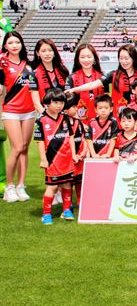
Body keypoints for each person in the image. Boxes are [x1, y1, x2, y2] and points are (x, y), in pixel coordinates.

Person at [0, 31, 36, 203]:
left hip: (29, 111)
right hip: (11, 110)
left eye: (17, 42)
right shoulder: (3, 64)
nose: (14, 45)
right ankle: (9, 186)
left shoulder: (28, 65)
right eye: (11, 42)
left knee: (25, 148)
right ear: (5, 45)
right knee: (17, 147)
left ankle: (21, 185)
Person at [35, 88, 79, 224]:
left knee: (67, 184)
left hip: (67, 159)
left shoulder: (65, 118)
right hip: (52, 161)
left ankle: (66, 210)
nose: (59, 106)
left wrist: (74, 154)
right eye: (56, 102)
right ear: (48, 102)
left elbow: (71, 136)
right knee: (52, 187)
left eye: (61, 103)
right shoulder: (41, 120)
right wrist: (43, 159)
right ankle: (46, 214)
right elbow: (40, 141)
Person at [67, 44, 137, 118]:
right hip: (118, 120)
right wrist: (73, 89)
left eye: (126, 58)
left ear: (133, 58)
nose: (124, 61)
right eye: (121, 58)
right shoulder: (112, 75)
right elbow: (93, 84)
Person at [66, 44, 104, 124]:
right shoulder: (71, 78)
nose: (86, 60)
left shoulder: (102, 77)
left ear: (94, 58)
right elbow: (67, 104)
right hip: (78, 121)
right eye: (82, 57)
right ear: (78, 59)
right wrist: (79, 123)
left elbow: (106, 101)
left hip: (100, 121)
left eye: (89, 56)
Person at [30, 38, 69, 114]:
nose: (47, 54)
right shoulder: (33, 74)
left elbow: (68, 93)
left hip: (63, 114)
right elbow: (36, 103)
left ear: (54, 53)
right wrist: (46, 117)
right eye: (43, 51)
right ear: (38, 53)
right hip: (44, 114)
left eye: (50, 50)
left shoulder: (63, 71)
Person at [64, 93, 86, 207]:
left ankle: (79, 200)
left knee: (79, 180)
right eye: (73, 107)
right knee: (68, 182)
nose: (76, 108)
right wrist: (72, 155)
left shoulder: (78, 122)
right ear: (66, 109)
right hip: (69, 158)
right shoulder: (62, 124)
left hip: (80, 157)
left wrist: (83, 152)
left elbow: (84, 138)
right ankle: (67, 203)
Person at [84, 94, 118, 159]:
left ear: (111, 109)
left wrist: (108, 154)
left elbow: (113, 139)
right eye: (100, 108)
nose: (103, 110)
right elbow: (88, 139)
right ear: (96, 110)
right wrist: (93, 154)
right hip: (94, 157)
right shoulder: (92, 122)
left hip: (109, 157)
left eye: (106, 108)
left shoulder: (113, 122)